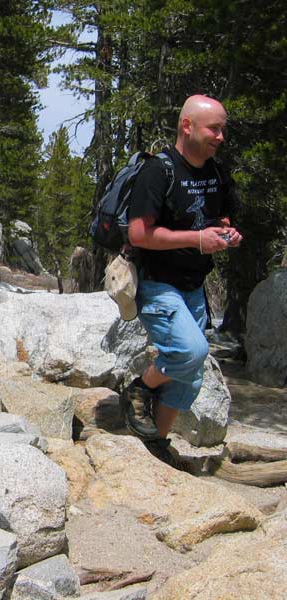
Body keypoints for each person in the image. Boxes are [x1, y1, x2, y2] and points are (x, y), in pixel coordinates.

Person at [122, 94, 242, 466]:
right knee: (190, 352)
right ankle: (139, 389)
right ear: (187, 126)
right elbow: (139, 234)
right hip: (158, 282)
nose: (221, 137)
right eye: (214, 128)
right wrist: (197, 239)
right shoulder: (158, 171)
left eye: (223, 129)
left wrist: (226, 234)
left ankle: (155, 446)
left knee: (189, 378)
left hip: (194, 285)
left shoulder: (217, 173)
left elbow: (222, 218)